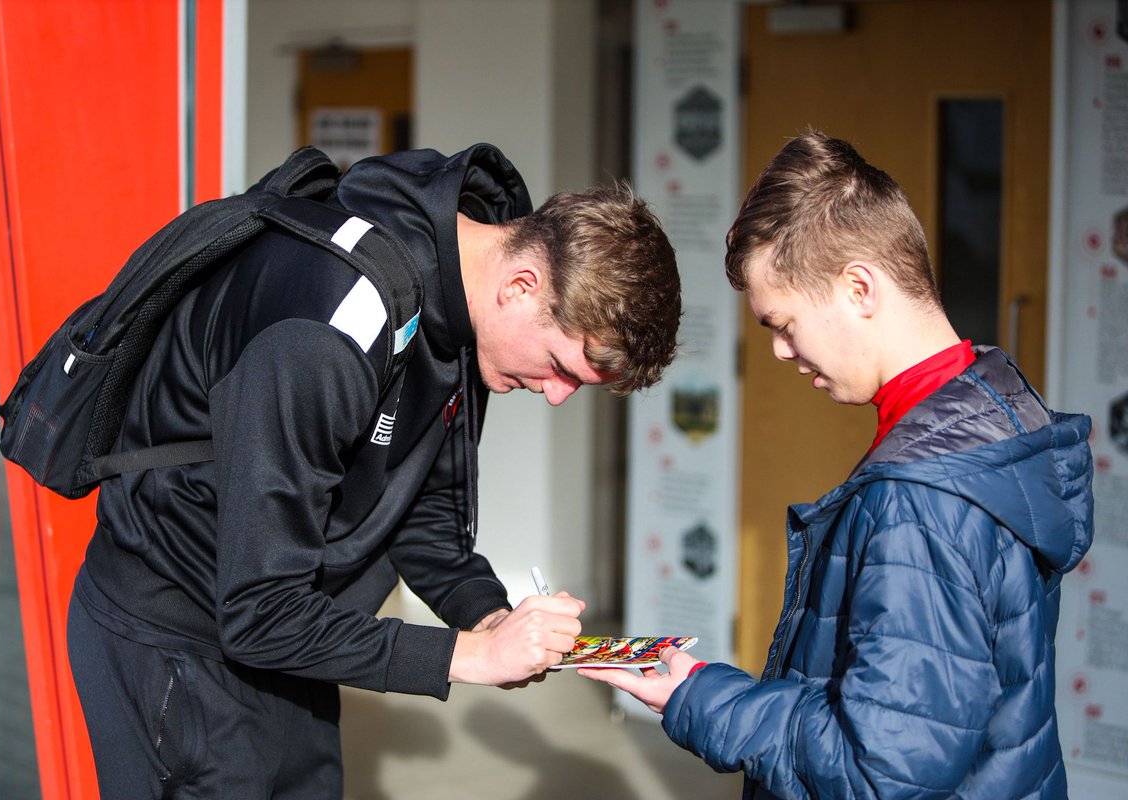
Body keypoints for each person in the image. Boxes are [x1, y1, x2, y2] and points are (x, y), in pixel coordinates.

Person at [67, 142, 682, 799]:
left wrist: (488, 617)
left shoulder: (459, 312)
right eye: (563, 367)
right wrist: (469, 659)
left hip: (291, 647)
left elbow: (411, 510)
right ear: (522, 286)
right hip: (176, 643)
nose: (557, 395)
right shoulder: (327, 325)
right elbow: (258, 611)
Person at [582, 130, 1093, 799]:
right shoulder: (995, 407)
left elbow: (881, 766)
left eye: (784, 324)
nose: (780, 352)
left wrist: (700, 697)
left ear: (859, 288)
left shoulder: (921, 498)